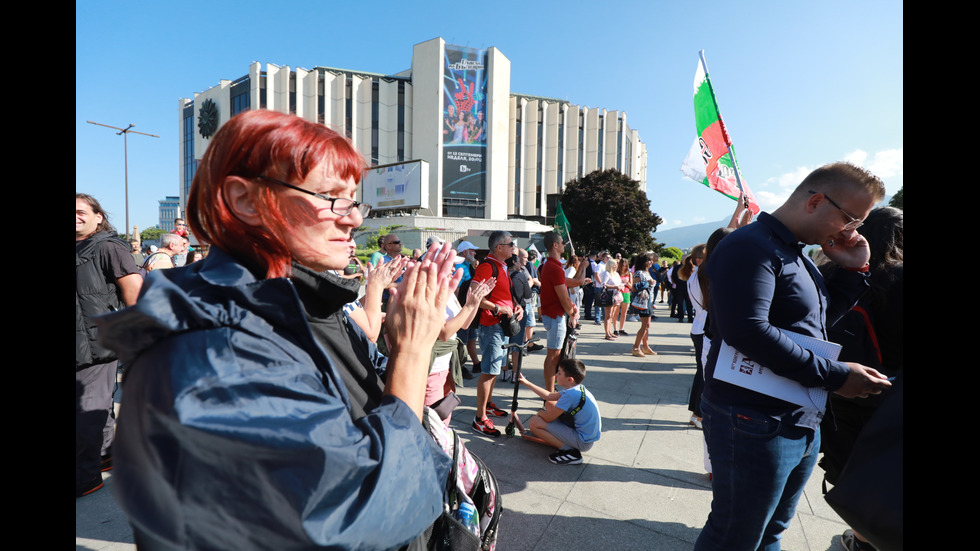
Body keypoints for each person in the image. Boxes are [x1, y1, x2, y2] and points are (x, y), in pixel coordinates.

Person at [97, 110, 460, 549]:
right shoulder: (217, 342)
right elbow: (360, 511)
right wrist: (413, 353)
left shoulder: (290, 301)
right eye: (330, 197)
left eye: (353, 200)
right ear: (245, 200)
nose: (354, 219)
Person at [694, 162, 892, 551]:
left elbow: (810, 324)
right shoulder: (751, 246)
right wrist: (836, 376)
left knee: (771, 531)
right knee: (736, 535)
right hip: (752, 417)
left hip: (794, 414)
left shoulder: (793, 253)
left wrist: (854, 271)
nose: (851, 231)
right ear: (816, 201)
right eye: (851, 219)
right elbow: (747, 331)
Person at [818, 206, 903, 551]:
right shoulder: (899, 278)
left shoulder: (835, 273)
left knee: (854, 480)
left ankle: (862, 538)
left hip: (840, 396)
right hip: (891, 406)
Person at [76, 193, 143, 498]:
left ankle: (85, 477)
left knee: (87, 408)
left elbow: (133, 290)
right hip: (80, 342)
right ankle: (106, 454)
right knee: (93, 404)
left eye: (80, 212)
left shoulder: (107, 246)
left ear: (97, 216)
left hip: (97, 343)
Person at [471, 230, 523, 437]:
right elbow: (473, 295)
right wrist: (497, 309)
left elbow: (505, 295)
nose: (513, 247)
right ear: (499, 248)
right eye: (510, 244)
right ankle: (480, 418)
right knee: (490, 370)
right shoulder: (487, 266)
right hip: (491, 325)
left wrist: (515, 306)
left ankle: (488, 404)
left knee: (493, 369)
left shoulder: (501, 266)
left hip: (499, 326)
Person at [516, 358, 601, 465]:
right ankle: (564, 441)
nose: (556, 375)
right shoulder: (576, 388)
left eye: (559, 373)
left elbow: (548, 418)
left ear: (570, 379)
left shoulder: (570, 395)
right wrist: (527, 383)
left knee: (534, 422)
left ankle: (571, 452)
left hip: (582, 442)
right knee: (549, 403)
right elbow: (549, 396)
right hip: (586, 437)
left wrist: (540, 413)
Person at [538, 232, 581, 392]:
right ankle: (549, 393)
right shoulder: (553, 267)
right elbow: (563, 298)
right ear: (555, 245)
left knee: (554, 356)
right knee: (553, 356)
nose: (564, 245)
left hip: (553, 315)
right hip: (555, 316)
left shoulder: (551, 265)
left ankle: (550, 390)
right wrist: (572, 312)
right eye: (562, 242)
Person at [454, 240, 481, 379]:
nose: (475, 253)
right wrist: (458, 310)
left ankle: (476, 363)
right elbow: (456, 290)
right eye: (472, 250)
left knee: (471, 338)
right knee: (461, 341)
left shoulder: (468, 266)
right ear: (465, 252)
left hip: (468, 308)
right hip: (462, 308)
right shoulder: (459, 267)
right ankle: (460, 366)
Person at [629, 253, 657, 357]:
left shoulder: (647, 272)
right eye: (648, 260)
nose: (651, 262)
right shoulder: (639, 273)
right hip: (643, 302)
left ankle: (645, 346)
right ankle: (636, 347)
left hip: (649, 301)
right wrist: (648, 283)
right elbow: (634, 287)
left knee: (647, 325)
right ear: (643, 262)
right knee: (645, 326)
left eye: (651, 260)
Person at [599, 258, 623, 340]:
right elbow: (604, 285)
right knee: (608, 315)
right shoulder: (607, 273)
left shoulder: (616, 274)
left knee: (612, 315)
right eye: (614, 264)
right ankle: (607, 334)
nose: (616, 266)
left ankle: (609, 332)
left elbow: (619, 283)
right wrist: (615, 287)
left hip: (617, 295)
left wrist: (621, 285)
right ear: (610, 265)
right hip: (609, 295)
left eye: (616, 264)